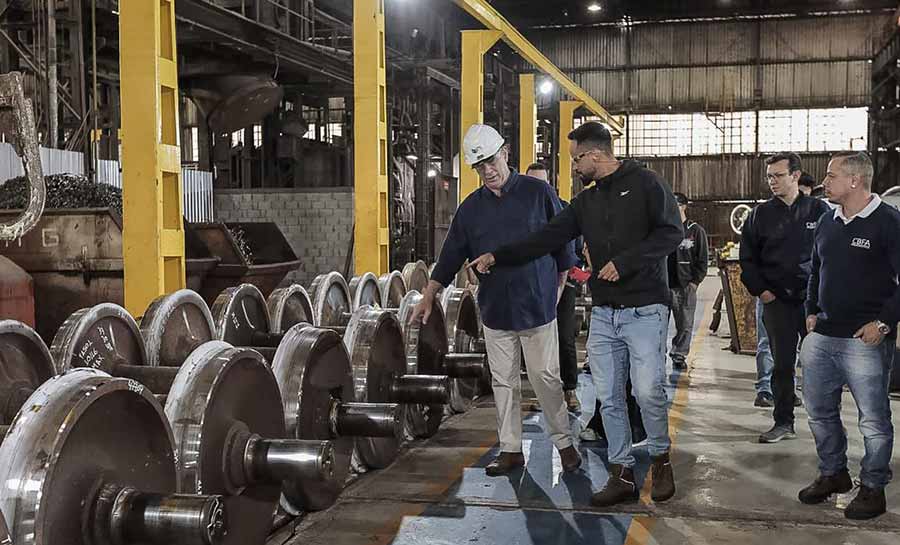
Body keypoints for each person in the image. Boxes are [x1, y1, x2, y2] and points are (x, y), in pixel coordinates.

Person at [468, 121, 683, 507]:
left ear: (593, 155)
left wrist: (625, 262)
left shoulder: (648, 184)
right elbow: (544, 239)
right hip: (605, 313)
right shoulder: (585, 202)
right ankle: (621, 473)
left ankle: (660, 459)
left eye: (575, 159)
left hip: (646, 310)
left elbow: (671, 233)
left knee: (648, 390)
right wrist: (498, 256)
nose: (573, 167)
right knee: (609, 396)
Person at [409, 124, 581, 476]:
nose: (487, 171)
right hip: (495, 310)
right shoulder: (471, 209)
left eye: (491, 161)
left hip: (536, 308)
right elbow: (450, 254)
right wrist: (429, 294)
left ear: (505, 154)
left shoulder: (539, 193)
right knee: (504, 382)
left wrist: (558, 290)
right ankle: (510, 448)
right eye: (479, 166)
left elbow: (564, 247)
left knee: (546, 377)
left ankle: (564, 443)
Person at [800, 151, 900, 520]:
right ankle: (833, 474)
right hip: (822, 336)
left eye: (831, 175)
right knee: (818, 413)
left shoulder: (889, 223)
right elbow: (815, 272)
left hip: (865, 342)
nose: (825, 182)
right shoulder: (828, 222)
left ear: (855, 180)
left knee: (873, 421)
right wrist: (810, 312)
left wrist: (884, 323)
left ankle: (873, 487)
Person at [739, 152, 830, 444]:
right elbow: (748, 260)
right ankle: (783, 421)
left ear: (795, 176)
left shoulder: (819, 211)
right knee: (782, 365)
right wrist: (764, 293)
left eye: (778, 176)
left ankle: (826, 423)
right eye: (769, 177)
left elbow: (833, 256)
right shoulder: (760, 215)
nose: (772, 182)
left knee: (821, 364)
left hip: (813, 303)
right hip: (777, 301)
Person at [525, 161, 581, 413]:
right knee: (539, 343)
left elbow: (574, 249)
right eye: (531, 183)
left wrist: (564, 280)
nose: (537, 188)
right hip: (531, 287)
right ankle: (544, 395)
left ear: (550, 183)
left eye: (541, 182)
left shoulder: (565, 210)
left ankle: (570, 390)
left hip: (563, 284)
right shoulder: (519, 210)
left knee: (565, 338)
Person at [667, 192, 709, 370]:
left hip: (685, 285)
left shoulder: (695, 230)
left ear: (683, 207)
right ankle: (657, 353)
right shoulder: (664, 230)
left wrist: (694, 282)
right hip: (664, 286)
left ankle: (679, 354)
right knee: (658, 324)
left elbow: (703, 259)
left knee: (685, 324)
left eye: (675, 205)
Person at [754, 297, 775, 407]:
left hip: (795, 297)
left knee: (792, 344)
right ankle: (765, 389)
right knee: (766, 342)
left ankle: (788, 389)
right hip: (768, 296)